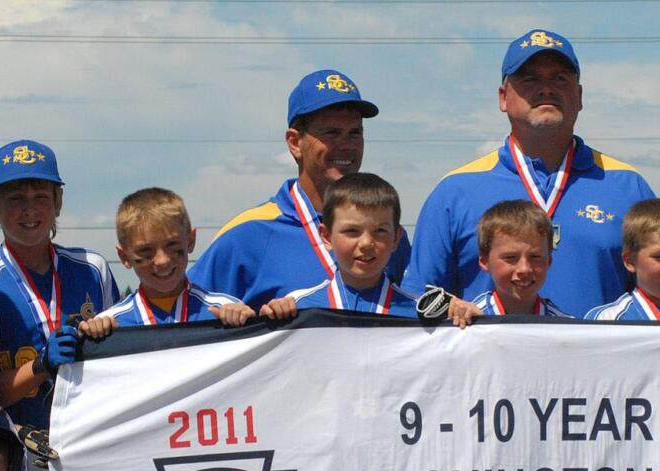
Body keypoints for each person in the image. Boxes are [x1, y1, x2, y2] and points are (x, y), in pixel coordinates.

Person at [404, 28, 656, 319]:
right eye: (530, 79)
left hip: (596, 362)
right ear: (503, 97)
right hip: (490, 362)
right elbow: (417, 298)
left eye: (559, 78)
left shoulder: (627, 187)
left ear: (580, 95)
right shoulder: (455, 191)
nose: (546, 88)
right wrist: (449, 309)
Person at [0, 139, 121, 471]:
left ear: (58, 202)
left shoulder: (92, 269)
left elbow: (121, 364)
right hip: (11, 455)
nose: (30, 210)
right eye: (15, 198)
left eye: (41, 196)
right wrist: (41, 367)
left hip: (86, 451)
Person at [189, 69, 409, 308]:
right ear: (295, 143)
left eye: (355, 133)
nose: (347, 145)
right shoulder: (247, 234)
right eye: (332, 133)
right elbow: (186, 315)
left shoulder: (383, 234)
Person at [87, 188, 255, 333]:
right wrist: (90, 340)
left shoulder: (226, 310)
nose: (162, 261)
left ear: (190, 241)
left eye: (172, 246)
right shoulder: (110, 326)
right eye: (146, 251)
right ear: (124, 257)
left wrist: (248, 325)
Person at [262, 173, 421, 319]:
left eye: (380, 231)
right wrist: (270, 321)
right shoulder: (296, 309)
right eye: (352, 231)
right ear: (326, 236)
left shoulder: (419, 315)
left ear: (396, 238)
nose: (366, 243)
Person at [444, 200, 572, 328]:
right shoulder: (463, 325)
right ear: (484, 262)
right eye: (511, 257)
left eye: (535, 257)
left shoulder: (567, 329)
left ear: (548, 261)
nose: (524, 269)